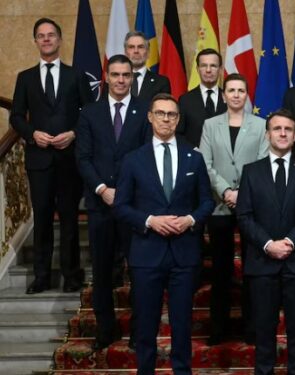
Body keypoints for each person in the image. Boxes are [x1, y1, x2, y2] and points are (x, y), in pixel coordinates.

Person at [113, 93, 214, 375]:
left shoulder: (194, 157)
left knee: (182, 325)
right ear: (150, 116)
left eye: (171, 114)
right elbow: (120, 206)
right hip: (147, 253)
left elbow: (207, 202)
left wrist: (190, 220)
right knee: (145, 325)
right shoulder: (133, 160)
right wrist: (149, 220)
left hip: (184, 254)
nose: (166, 119)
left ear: (178, 119)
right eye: (161, 113)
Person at [236, 109, 295, 375]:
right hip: (263, 263)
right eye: (277, 129)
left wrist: (288, 241)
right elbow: (244, 215)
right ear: (268, 134)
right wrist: (268, 244)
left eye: (288, 129)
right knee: (264, 329)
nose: (283, 133)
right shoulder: (251, 171)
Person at [10, 18, 92, 294]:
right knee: (42, 219)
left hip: (69, 158)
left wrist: (73, 133)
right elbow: (16, 117)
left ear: (59, 39)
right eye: (41, 36)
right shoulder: (25, 77)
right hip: (39, 159)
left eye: (51, 35)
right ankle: (42, 277)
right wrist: (33, 134)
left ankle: (72, 276)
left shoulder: (76, 75)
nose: (46, 39)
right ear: (35, 41)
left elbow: (89, 114)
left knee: (69, 218)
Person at [75, 54, 150, 350]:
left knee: (139, 270)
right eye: (115, 74)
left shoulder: (145, 111)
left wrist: (127, 193)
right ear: (106, 77)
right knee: (103, 270)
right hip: (100, 204)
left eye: (126, 75)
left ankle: (138, 328)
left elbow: (146, 156)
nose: (120, 80)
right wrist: (102, 188)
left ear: (132, 78)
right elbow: (82, 157)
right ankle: (106, 329)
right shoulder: (89, 113)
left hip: (133, 206)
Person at [198, 73, 269, 345]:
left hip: (251, 207)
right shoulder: (209, 125)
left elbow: (263, 162)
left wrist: (242, 194)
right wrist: (227, 191)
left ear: (246, 94)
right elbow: (204, 163)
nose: (236, 94)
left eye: (241, 90)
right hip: (219, 206)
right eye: (231, 90)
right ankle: (219, 330)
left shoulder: (261, 124)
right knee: (220, 271)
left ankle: (252, 330)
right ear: (224, 94)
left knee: (253, 270)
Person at [177, 48, 227, 147]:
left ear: (220, 70)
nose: (208, 70)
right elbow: (179, 133)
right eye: (204, 66)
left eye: (213, 66)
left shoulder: (230, 98)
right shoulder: (185, 100)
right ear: (197, 69)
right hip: (195, 158)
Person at [123, 31, 171, 101]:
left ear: (148, 52)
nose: (136, 51)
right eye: (131, 47)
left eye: (140, 47)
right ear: (125, 53)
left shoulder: (161, 82)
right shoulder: (115, 80)